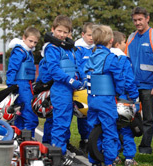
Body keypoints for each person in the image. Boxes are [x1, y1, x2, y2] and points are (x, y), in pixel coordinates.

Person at [84, 25, 139, 166]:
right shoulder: (110, 58)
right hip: (106, 99)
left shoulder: (91, 56)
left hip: (92, 98)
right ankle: (109, 161)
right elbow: (119, 78)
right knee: (110, 131)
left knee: (94, 130)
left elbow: (85, 73)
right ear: (111, 40)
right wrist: (119, 92)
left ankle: (94, 160)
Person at [38, 15, 85, 163]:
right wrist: (71, 80)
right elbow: (54, 70)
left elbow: (76, 66)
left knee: (66, 123)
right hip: (61, 89)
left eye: (66, 32)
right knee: (60, 123)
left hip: (72, 90)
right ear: (53, 29)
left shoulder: (69, 49)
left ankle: (60, 150)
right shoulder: (52, 48)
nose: (62, 35)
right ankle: (57, 155)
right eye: (59, 31)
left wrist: (82, 78)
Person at [124, 7, 153, 154]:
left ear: (147, 18)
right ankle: (125, 144)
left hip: (150, 86)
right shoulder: (131, 38)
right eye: (135, 20)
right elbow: (126, 61)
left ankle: (145, 148)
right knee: (127, 116)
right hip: (132, 86)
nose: (137, 23)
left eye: (140, 19)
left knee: (148, 118)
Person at [6, 27, 40, 137]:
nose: (32, 44)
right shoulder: (20, 51)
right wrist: (11, 86)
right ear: (24, 38)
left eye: (35, 42)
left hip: (27, 85)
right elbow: (12, 69)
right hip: (21, 86)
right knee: (30, 116)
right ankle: (30, 140)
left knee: (20, 116)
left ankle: (19, 140)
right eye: (30, 41)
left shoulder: (28, 52)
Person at [110, 31, 138, 166]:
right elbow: (129, 81)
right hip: (123, 98)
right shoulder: (123, 59)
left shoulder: (107, 57)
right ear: (117, 44)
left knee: (111, 129)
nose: (125, 44)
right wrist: (134, 97)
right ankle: (129, 158)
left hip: (109, 98)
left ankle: (113, 156)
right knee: (127, 129)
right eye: (124, 42)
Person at [74, 22, 94, 154]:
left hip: (95, 86)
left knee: (93, 113)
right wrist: (83, 80)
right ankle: (84, 139)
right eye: (89, 35)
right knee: (82, 114)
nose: (91, 37)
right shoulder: (78, 49)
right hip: (82, 86)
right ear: (83, 35)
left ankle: (93, 139)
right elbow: (77, 67)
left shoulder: (96, 48)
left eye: (94, 35)